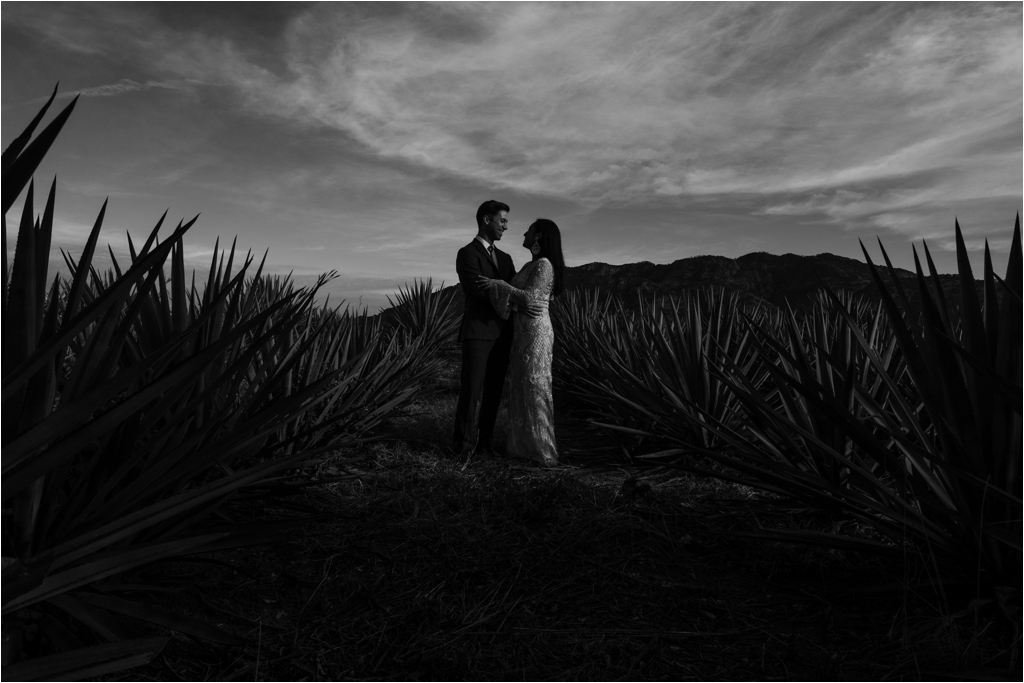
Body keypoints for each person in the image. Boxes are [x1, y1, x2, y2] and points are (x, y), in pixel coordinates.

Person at [477, 218, 564, 466]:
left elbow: (531, 298)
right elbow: (526, 301)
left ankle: (541, 450)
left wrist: (497, 284)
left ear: (538, 237)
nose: (523, 233)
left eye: (529, 230)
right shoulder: (532, 264)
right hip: (522, 331)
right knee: (521, 385)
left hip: (536, 333)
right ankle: (521, 446)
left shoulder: (544, 265)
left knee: (534, 385)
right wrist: (516, 298)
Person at [452, 200, 518, 456]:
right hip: (478, 332)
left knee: (493, 392)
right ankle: (463, 449)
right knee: (471, 390)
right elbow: (478, 289)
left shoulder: (506, 258)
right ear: (486, 220)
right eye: (502, 220)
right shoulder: (466, 253)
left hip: (503, 333)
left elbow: (511, 293)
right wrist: (501, 288)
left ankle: (484, 444)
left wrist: (495, 285)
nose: (506, 227)